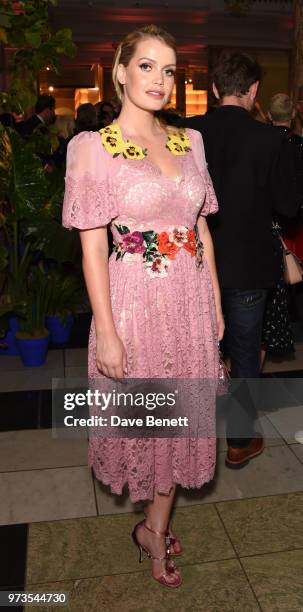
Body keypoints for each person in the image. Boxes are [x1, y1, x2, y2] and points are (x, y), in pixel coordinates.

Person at [62, 24, 223, 588]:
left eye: (170, 70)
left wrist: (217, 304)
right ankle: (153, 534)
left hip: (190, 304)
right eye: (148, 66)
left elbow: (202, 229)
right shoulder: (92, 148)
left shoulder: (191, 141)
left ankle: (155, 528)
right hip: (134, 305)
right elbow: (91, 250)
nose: (160, 79)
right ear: (121, 71)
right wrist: (106, 332)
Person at [185, 51, 298, 467]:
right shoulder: (272, 140)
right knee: (246, 350)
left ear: (214, 89)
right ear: (253, 91)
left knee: (196, 348)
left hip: (194, 261)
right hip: (249, 264)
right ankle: (238, 439)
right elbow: (288, 207)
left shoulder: (188, 131)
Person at [261, 93, 303, 363]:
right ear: (294, 115)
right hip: (297, 222)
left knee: (278, 284)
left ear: (268, 115)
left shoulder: (263, 144)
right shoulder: (299, 144)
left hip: (271, 223)